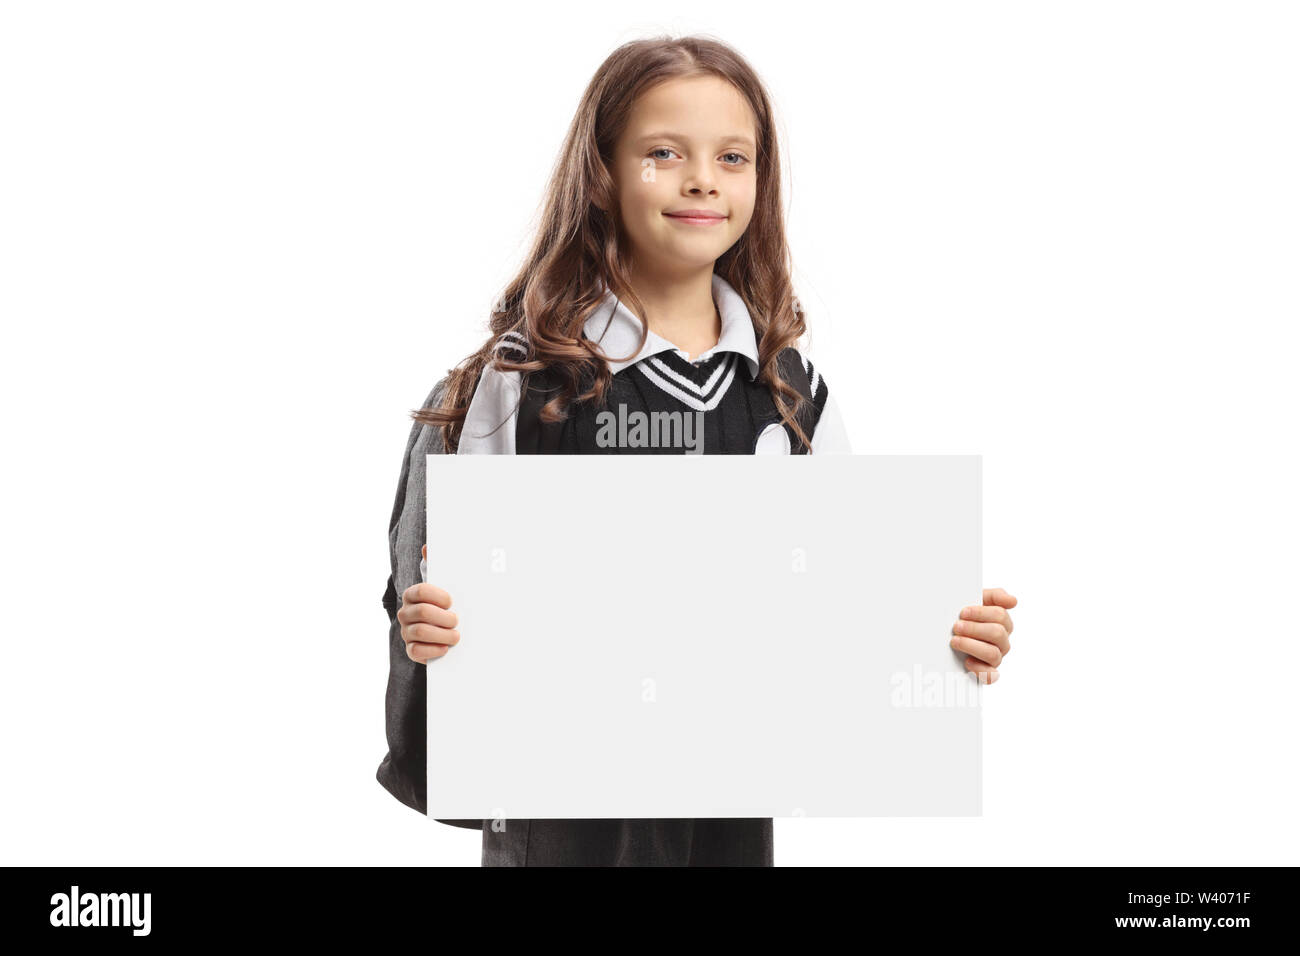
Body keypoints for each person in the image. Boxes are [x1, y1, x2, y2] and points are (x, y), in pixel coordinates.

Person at [379, 34, 1017, 866]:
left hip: (728, 802)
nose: (702, 179)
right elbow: (435, 591)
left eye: (733, 156)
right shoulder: (524, 382)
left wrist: (947, 640)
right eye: (664, 152)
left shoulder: (790, 392)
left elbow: (853, 597)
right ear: (603, 174)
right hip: (564, 811)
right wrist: (429, 630)